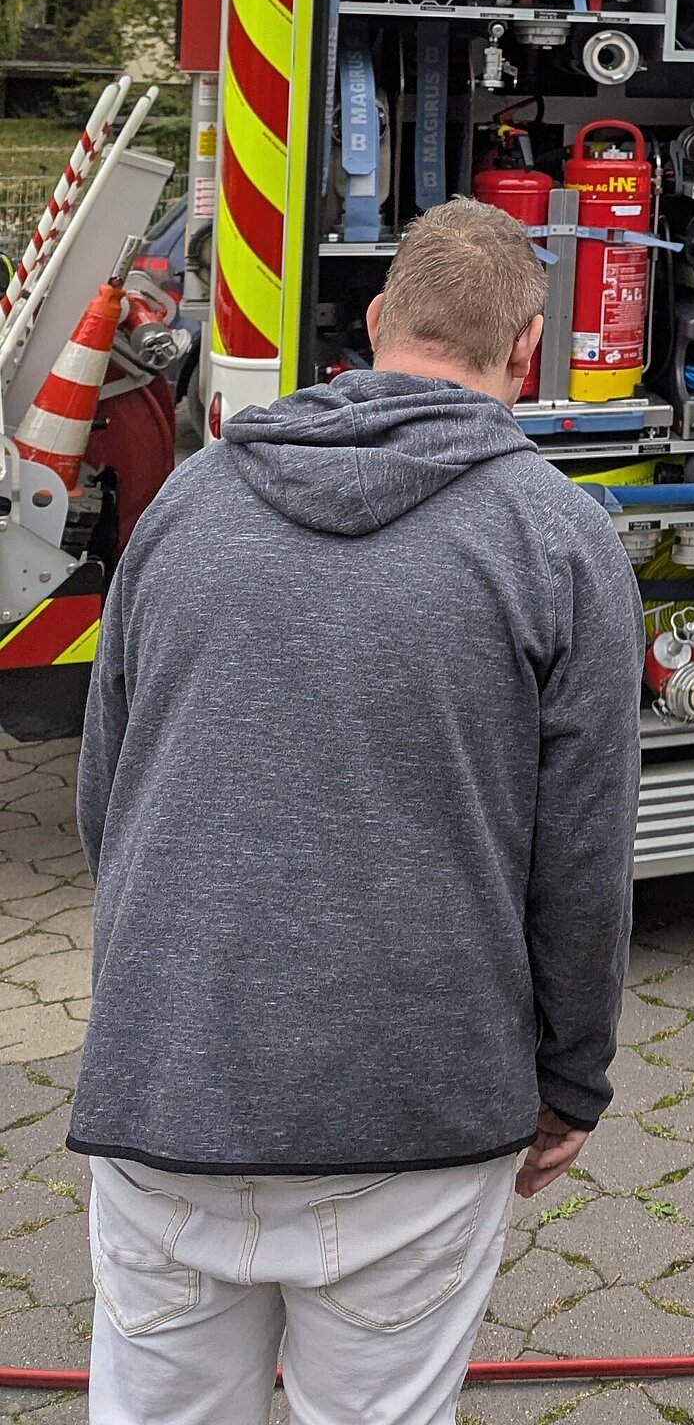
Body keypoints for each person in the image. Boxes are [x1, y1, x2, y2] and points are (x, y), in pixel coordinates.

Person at [71, 197, 643, 1425]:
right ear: (526, 352)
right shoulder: (561, 536)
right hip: (417, 1115)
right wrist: (571, 1077)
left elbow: (108, 798)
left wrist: (167, 1002)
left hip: (169, 1086)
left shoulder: (190, 501)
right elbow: (583, 860)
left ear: (374, 320)